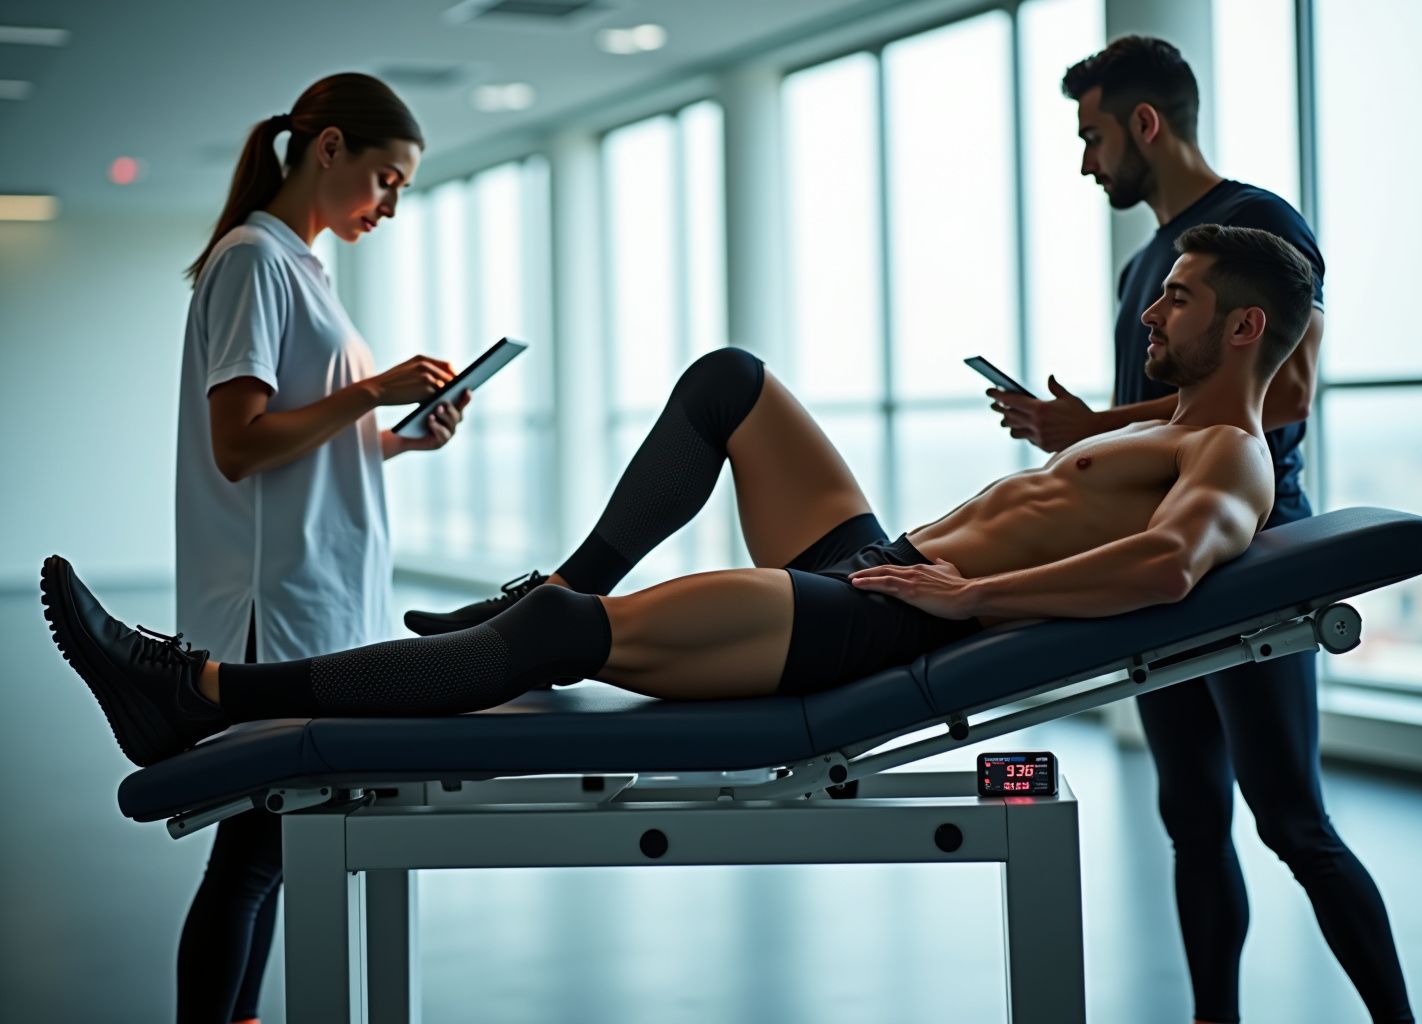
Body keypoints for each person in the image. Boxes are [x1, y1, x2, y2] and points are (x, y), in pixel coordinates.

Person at [51, 224, 1306, 774]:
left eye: (1181, 298)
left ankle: (198, 697)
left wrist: (972, 595)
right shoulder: (1176, 423)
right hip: (885, 561)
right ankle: (565, 576)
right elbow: (1149, 443)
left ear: (1244, 326)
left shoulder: (1231, 458)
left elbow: (1162, 572)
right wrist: (1076, 433)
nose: (1153, 307)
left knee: (554, 644)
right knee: (730, 383)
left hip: (893, 619)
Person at [982, 37, 1411, 1024]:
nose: (1087, 162)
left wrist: (1094, 425)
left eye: (1092, 136)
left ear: (1145, 123)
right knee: (1191, 822)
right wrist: (1088, 436)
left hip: (1246, 550)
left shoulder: (1259, 226)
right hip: (1160, 560)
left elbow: (1282, 392)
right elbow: (1176, 410)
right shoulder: (1149, 264)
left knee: (1293, 822)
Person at [170, 73, 467, 1024]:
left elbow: (297, 443)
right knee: (258, 854)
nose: (390, 204)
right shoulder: (253, 260)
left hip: (319, 597)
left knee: (270, 851)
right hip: (275, 605)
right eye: (387, 179)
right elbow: (240, 444)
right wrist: (368, 395)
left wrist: (392, 436)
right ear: (329, 148)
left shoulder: (301, 266)